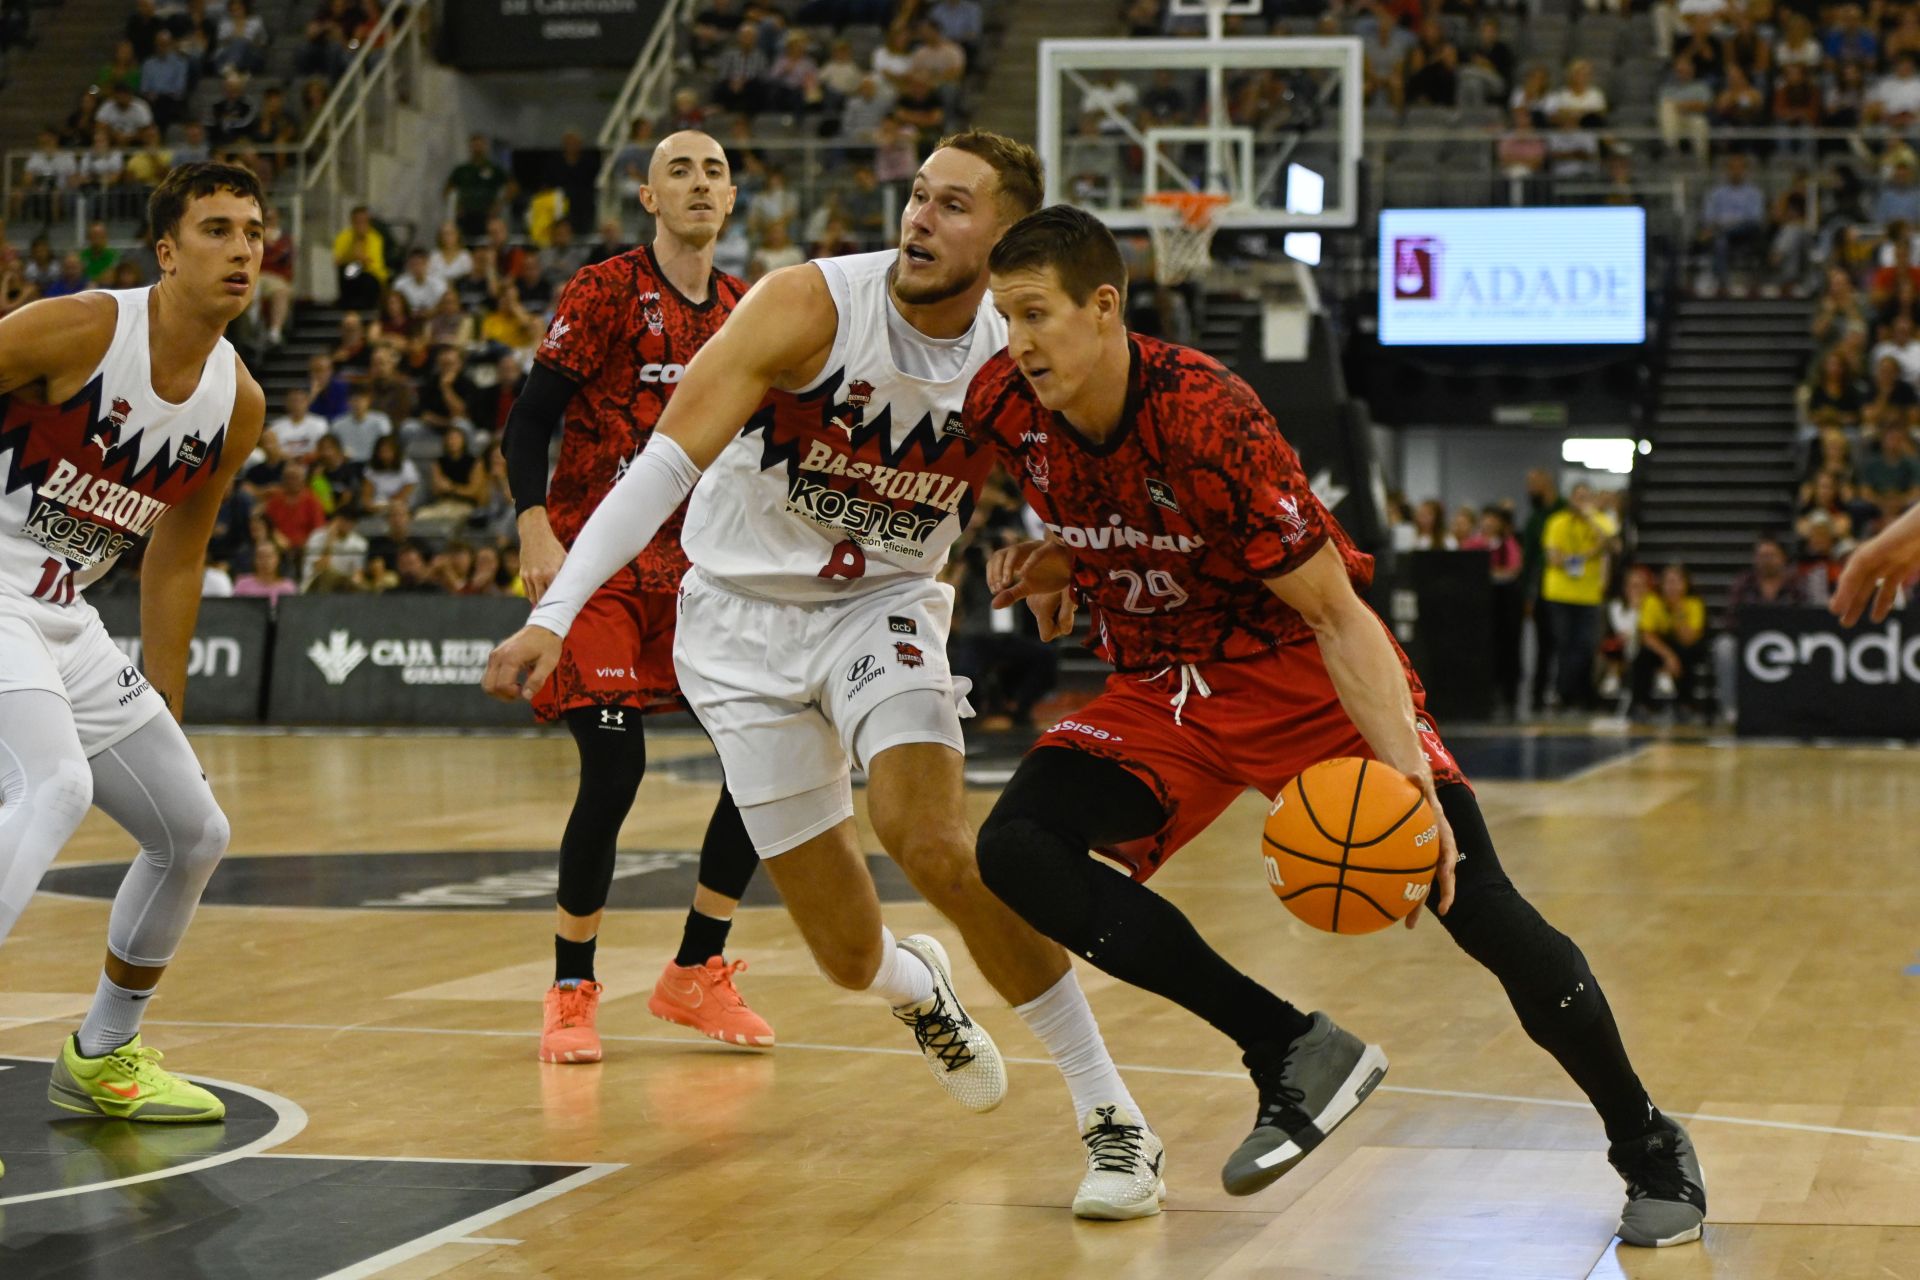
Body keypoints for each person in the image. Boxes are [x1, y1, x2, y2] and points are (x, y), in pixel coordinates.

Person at [966, 204, 1705, 1249]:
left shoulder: (1206, 414)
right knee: (1015, 847)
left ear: (1104, 306)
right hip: (1167, 686)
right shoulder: (1004, 402)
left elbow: (1335, 613)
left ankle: (1647, 1140)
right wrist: (1063, 562)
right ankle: (1287, 1045)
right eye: (1005, 317)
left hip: (1301, 672)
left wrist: (1408, 779)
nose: (1018, 340)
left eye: (1035, 313)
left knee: (1474, 902)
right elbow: (1118, 513)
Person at [485, 132, 1164, 1220]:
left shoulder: (1016, 347)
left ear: (1007, 238)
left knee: (934, 841)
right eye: (918, 195)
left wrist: (1064, 557)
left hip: (880, 604)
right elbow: (660, 466)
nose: (920, 217)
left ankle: (1112, 1114)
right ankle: (918, 986)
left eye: (953, 206)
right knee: (848, 954)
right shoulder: (809, 306)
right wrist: (554, 614)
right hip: (736, 624)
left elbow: (1099, 474)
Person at [0, 163, 269, 1163]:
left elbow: (178, 555)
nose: (242, 249)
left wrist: (166, 702)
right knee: (56, 784)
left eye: (254, 231)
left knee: (193, 830)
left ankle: (104, 1051)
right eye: (217, 229)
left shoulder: (236, 401)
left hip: (64, 615)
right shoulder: (77, 330)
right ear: (166, 251)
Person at [496, 130, 775, 1063]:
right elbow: (530, 419)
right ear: (649, 198)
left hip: (703, 574)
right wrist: (534, 525)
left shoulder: (748, 310)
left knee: (765, 764)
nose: (698, 183)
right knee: (614, 769)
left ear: (731, 199)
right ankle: (571, 989)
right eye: (678, 171)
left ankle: (697, 968)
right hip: (603, 565)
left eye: (714, 172)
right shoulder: (606, 290)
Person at [1540, 483, 1616, 711]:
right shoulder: (1557, 522)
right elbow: (1553, 558)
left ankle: (1578, 693)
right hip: (1560, 594)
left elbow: (1611, 544)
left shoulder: (1601, 521)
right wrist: (1589, 553)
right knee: (1564, 645)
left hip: (1589, 595)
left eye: (1586, 497)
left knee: (1586, 646)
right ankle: (1563, 694)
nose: (1581, 501)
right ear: (1570, 499)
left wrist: (1591, 518)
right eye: (1578, 497)